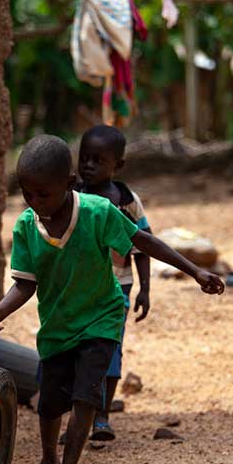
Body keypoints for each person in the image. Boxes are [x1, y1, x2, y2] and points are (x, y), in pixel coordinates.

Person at [0, 135, 224, 464]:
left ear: (69, 184)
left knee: (87, 397)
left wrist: (195, 270)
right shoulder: (26, 227)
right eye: (27, 194)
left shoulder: (97, 213)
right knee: (50, 406)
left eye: (44, 194)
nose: (35, 203)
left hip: (101, 318)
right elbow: (25, 284)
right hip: (56, 327)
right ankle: (48, 463)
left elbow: (145, 242)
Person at [78, 124, 151, 441]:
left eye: (98, 160)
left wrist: (145, 289)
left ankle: (102, 416)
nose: (88, 165)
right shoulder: (73, 197)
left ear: (117, 165)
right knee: (78, 349)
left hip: (117, 289)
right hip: (78, 288)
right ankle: (79, 416)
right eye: (84, 158)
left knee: (110, 350)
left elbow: (144, 245)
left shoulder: (127, 201)